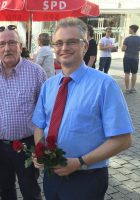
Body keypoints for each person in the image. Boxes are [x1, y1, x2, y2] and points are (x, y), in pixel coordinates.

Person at [32, 17, 133, 200]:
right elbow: (39, 124)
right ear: (53, 48)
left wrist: (79, 162)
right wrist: (41, 151)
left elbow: (123, 140)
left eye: (72, 42)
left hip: (86, 178)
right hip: (52, 176)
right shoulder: (49, 85)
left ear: (85, 46)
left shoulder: (105, 85)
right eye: (59, 43)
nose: (64, 48)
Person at [0, 25, 46, 200]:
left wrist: (42, 145)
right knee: (5, 190)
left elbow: (46, 112)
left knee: (30, 190)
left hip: (27, 145)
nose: (7, 48)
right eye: (2, 44)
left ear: (21, 46)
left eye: (12, 43)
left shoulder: (36, 73)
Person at [121, 24, 140, 93]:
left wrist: (124, 48)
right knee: (134, 73)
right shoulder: (139, 38)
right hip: (135, 58)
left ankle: (127, 89)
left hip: (127, 58)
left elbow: (123, 49)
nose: (128, 30)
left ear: (132, 30)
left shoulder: (127, 39)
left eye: (129, 29)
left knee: (127, 73)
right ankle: (132, 88)